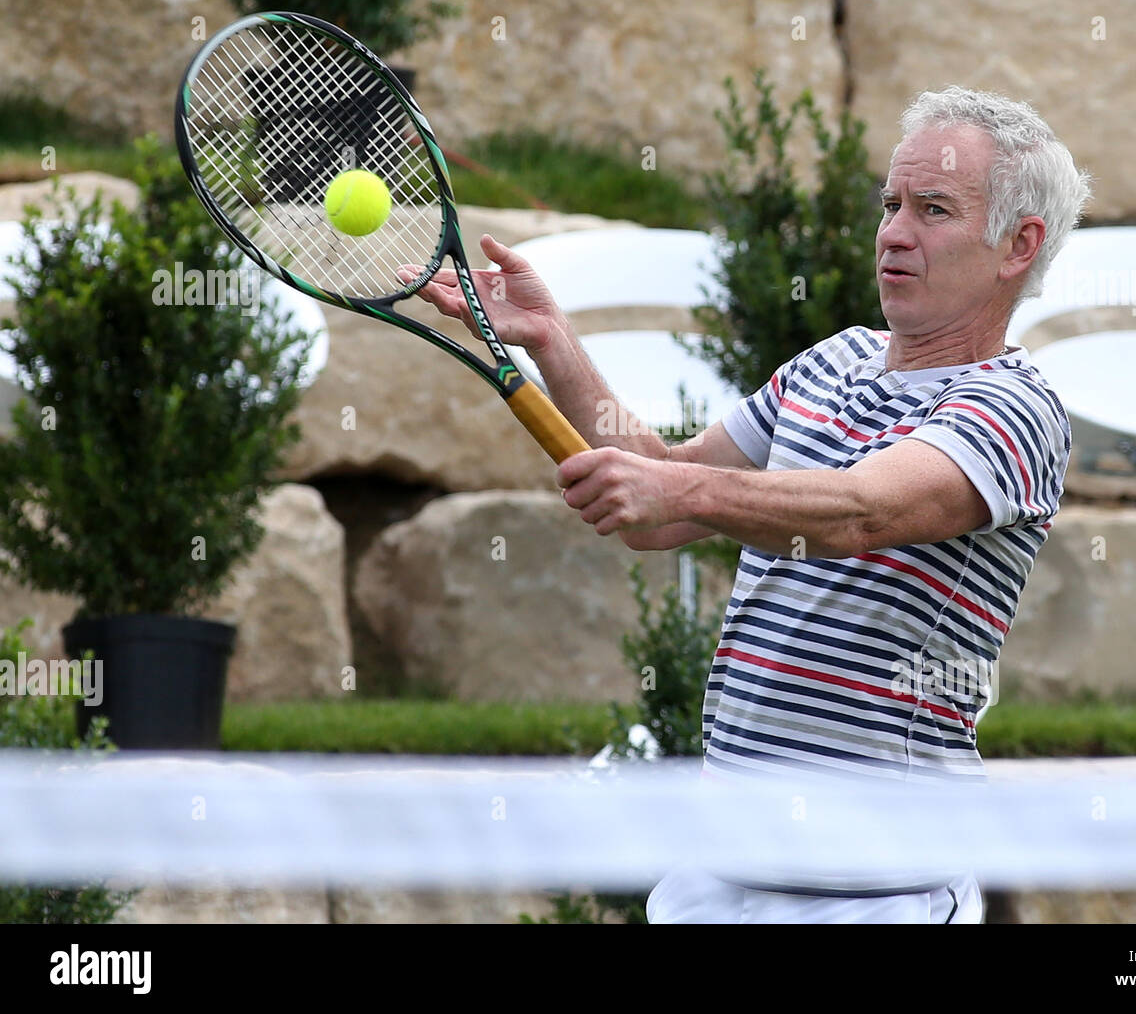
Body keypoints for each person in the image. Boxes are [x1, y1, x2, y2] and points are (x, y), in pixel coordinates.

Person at [409, 85, 1091, 923]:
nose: (893, 233)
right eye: (890, 204)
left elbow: (861, 513)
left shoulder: (1013, 406)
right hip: (720, 876)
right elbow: (665, 500)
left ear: (1017, 245)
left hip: (879, 891)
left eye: (934, 209)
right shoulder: (832, 361)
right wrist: (553, 338)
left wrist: (674, 486)